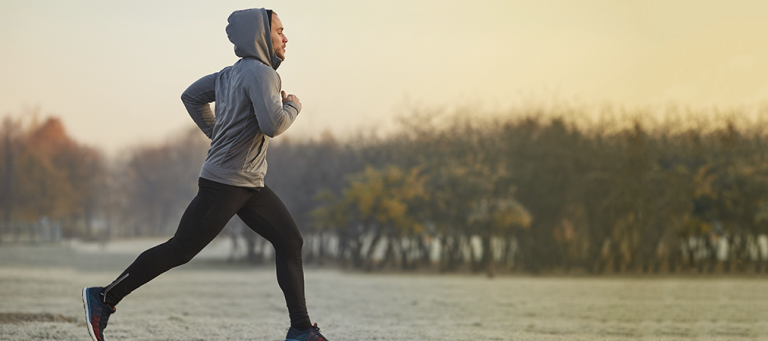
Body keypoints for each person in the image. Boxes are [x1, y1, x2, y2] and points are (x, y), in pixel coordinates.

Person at [82, 8, 329, 341]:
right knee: (180, 249)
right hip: (226, 183)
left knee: (289, 241)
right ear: (260, 35)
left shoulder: (229, 74)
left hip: (250, 184)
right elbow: (273, 124)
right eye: (279, 30)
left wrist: (219, 133)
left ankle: (300, 328)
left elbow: (191, 96)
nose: (285, 37)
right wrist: (293, 106)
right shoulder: (263, 74)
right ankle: (104, 298)